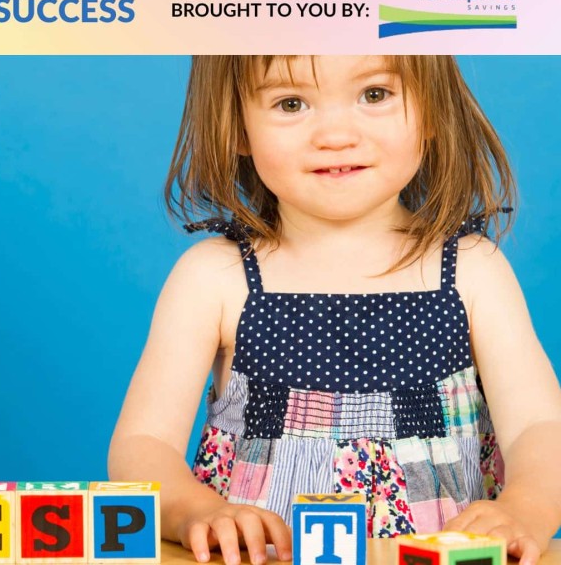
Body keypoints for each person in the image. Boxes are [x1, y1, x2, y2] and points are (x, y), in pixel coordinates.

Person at [108, 56, 561, 565]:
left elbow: (538, 426)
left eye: (374, 95)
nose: (336, 135)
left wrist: (527, 507)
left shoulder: (471, 271)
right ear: (236, 126)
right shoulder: (215, 277)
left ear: (433, 110)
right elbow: (144, 443)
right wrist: (193, 508)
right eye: (291, 103)